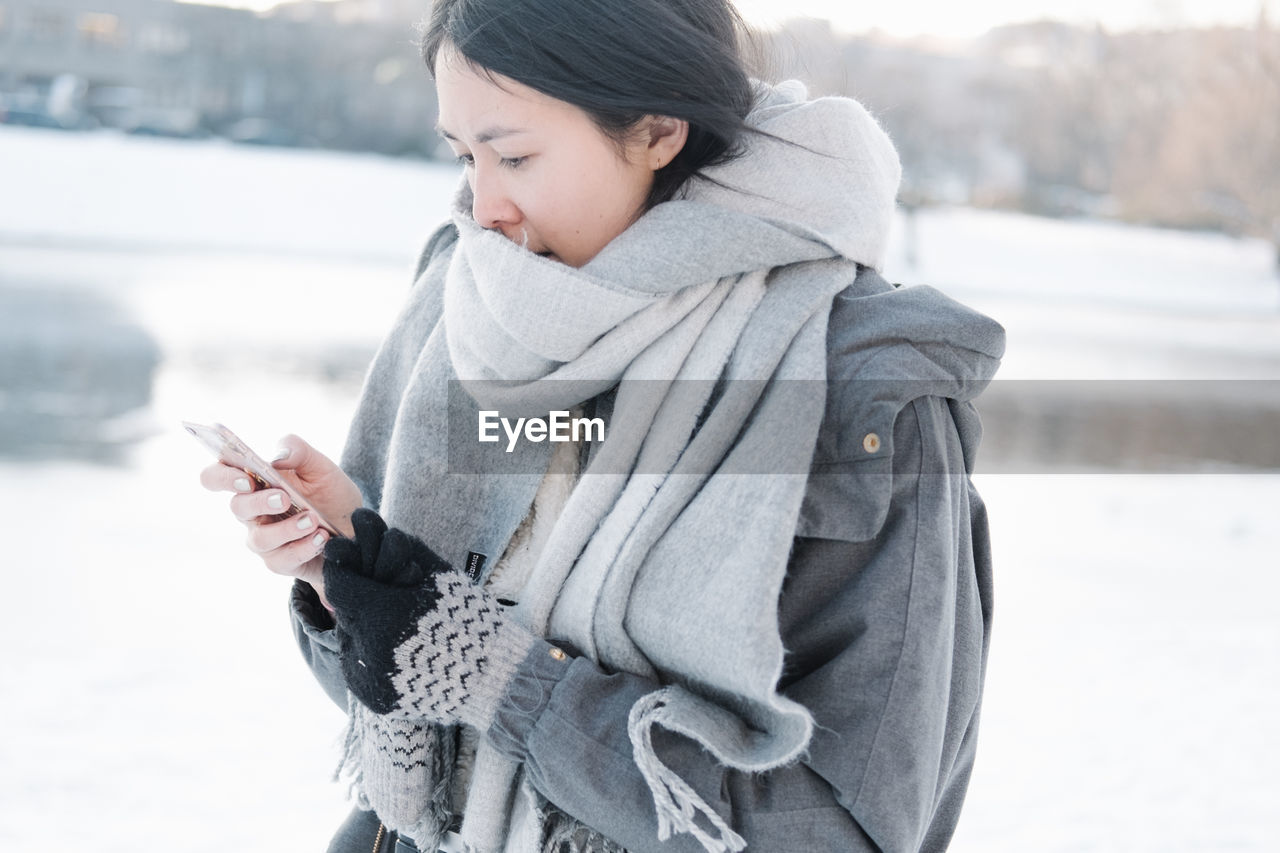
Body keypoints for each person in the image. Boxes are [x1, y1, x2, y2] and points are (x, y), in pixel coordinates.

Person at [198, 1, 1005, 851]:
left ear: (659, 130)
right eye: (465, 155)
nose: (485, 206)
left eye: (514, 155)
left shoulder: (855, 382)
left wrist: (493, 675)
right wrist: (350, 577)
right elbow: (409, 717)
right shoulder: (465, 301)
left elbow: (839, 830)